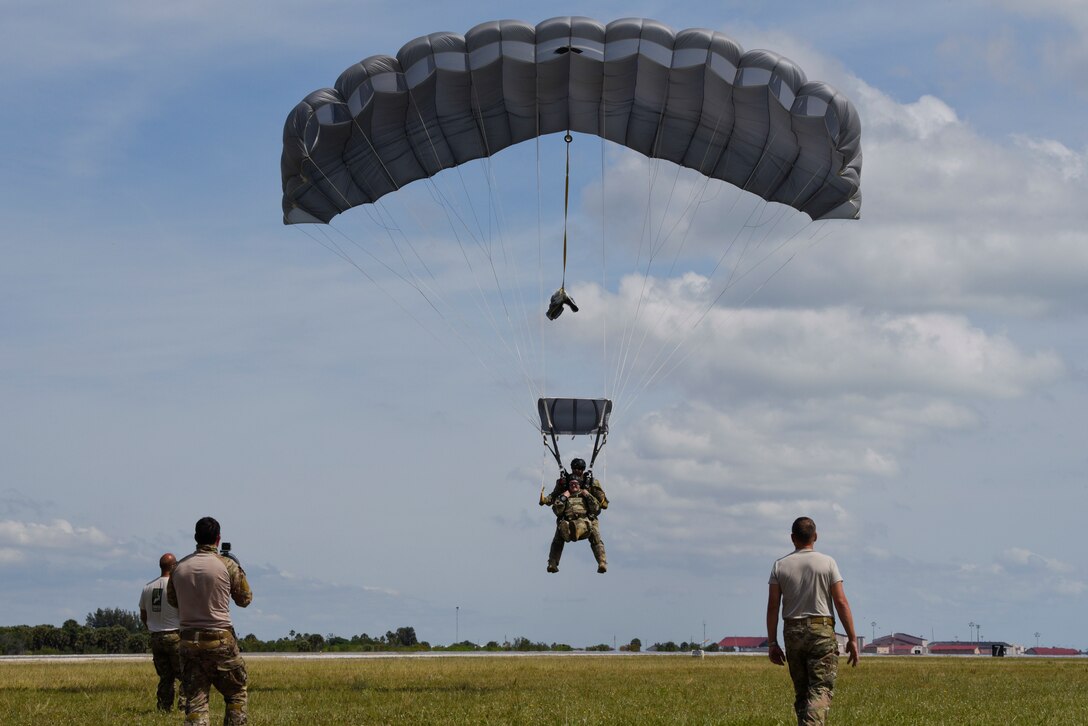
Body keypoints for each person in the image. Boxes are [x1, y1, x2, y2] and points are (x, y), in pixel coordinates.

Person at [766, 516, 859, 726]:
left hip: (792, 632)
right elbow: (841, 601)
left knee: (802, 692)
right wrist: (852, 638)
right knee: (820, 688)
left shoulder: (780, 565)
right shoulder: (828, 562)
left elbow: (773, 606)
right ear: (815, 536)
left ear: (792, 538)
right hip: (821, 630)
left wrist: (772, 643)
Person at [167, 517, 253, 726]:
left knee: (196, 701)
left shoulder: (179, 567)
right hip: (221, 639)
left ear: (195, 538)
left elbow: (172, 600)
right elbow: (245, 599)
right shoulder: (227, 565)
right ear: (218, 538)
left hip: (189, 642)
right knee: (235, 694)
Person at [540, 457, 607, 573]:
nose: (577, 470)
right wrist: (545, 500)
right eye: (575, 468)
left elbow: (601, 501)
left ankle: (602, 562)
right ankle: (552, 563)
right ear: (571, 468)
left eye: (580, 468)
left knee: (596, 536)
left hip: (587, 517)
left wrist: (597, 499)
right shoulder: (564, 482)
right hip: (567, 517)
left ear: (583, 469)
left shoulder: (590, 482)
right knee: (558, 538)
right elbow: (554, 496)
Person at [139, 552, 184, 711]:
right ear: (173, 566)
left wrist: (153, 629)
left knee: (165, 677)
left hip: (156, 636)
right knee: (185, 674)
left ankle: (164, 707)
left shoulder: (147, 588)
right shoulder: (177, 586)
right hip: (175, 634)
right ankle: (184, 707)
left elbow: (143, 615)